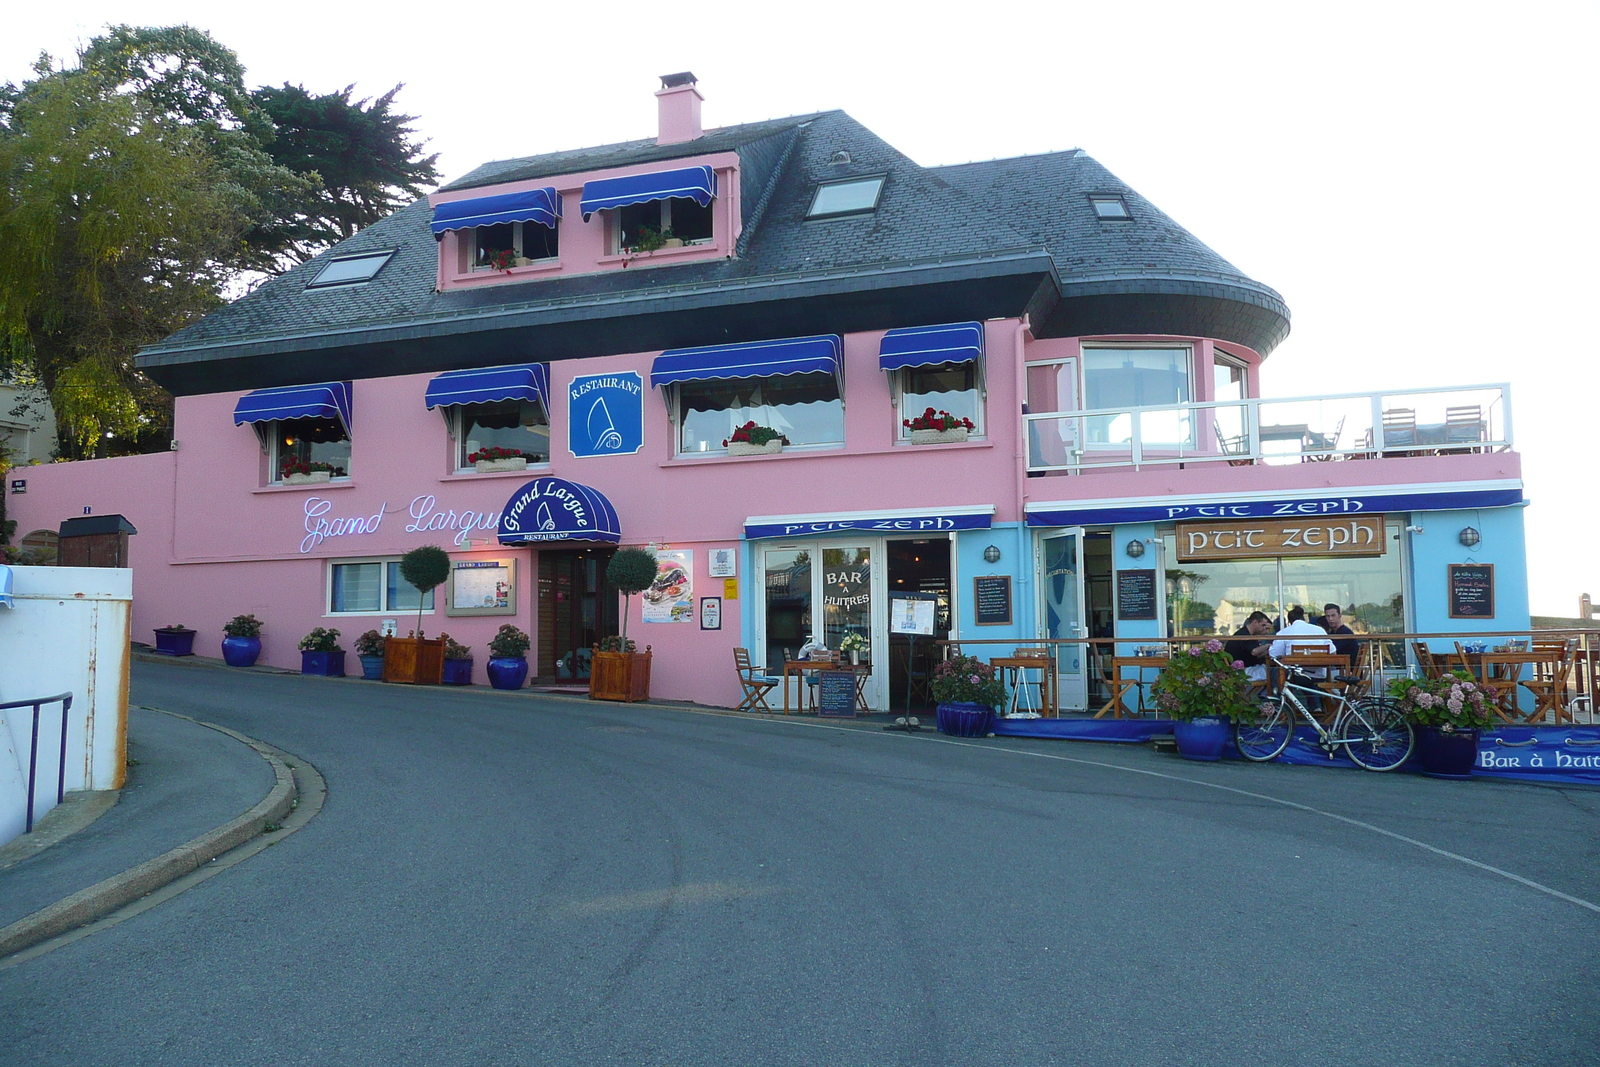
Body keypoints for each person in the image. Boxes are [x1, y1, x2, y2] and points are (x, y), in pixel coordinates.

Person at [1269, 606, 1336, 677]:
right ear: (1304, 618)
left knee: (1275, 672)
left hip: (1294, 677)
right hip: (1318, 676)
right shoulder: (1319, 630)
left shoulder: (1284, 632)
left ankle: (1276, 688)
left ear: (1289, 622)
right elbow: (1333, 652)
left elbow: (1274, 655)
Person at [1225, 610, 1274, 681]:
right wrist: (1267, 646)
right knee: (1276, 673)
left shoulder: (1249, 635)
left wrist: (1269, 650)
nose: (1264, 628)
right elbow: (1254, 652)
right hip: (1242, 672)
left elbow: (1256, 654)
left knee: (1272, 671)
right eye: (1263, 625)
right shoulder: (1244, 635)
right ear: (1255, 622)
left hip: (1246, 669)